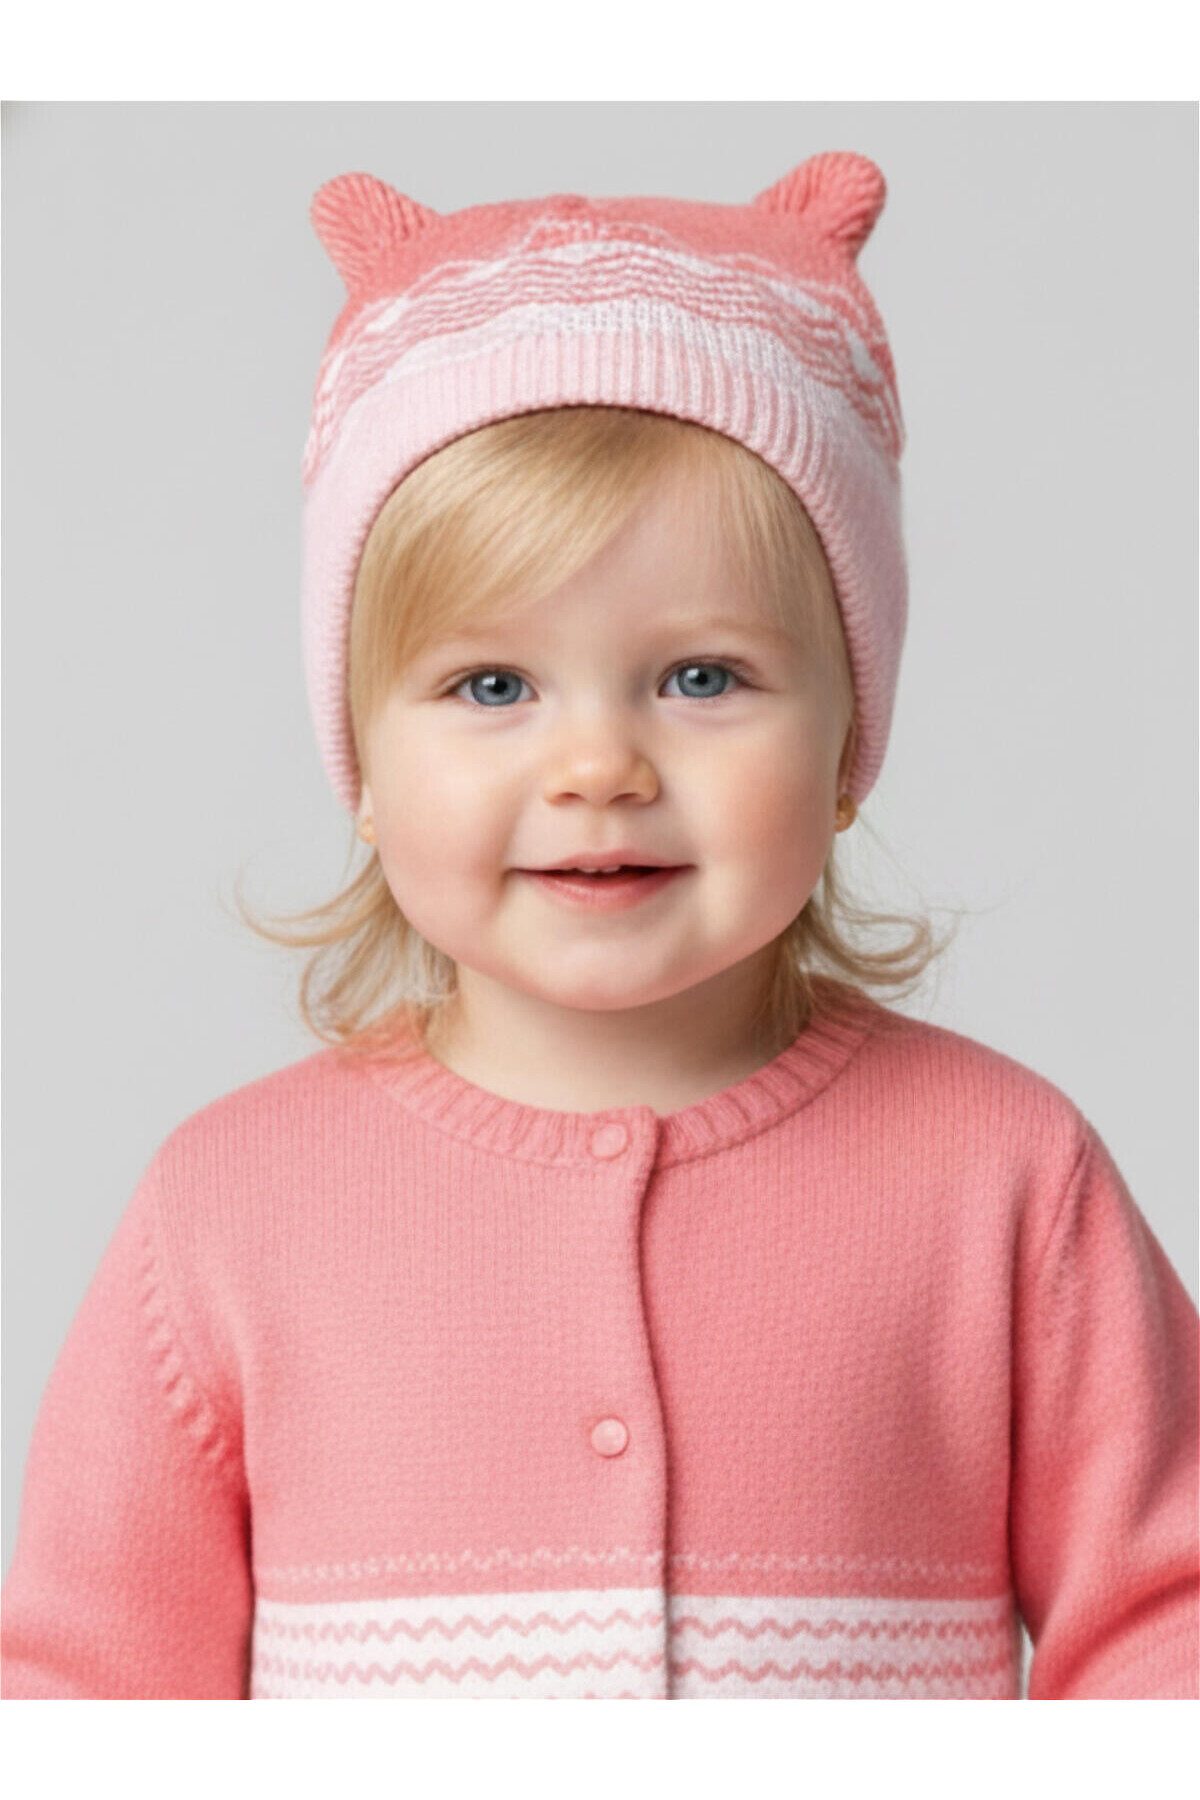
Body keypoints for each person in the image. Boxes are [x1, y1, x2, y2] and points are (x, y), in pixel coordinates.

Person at [3, 152, 1196, 1701]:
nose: (599, 767)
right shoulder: (226, 1208)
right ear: (361, 761)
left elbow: (1166, 1622)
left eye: (703, 677)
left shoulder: (1008, 1178)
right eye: (491, 685)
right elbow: (86, 1685)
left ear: (849, 740)